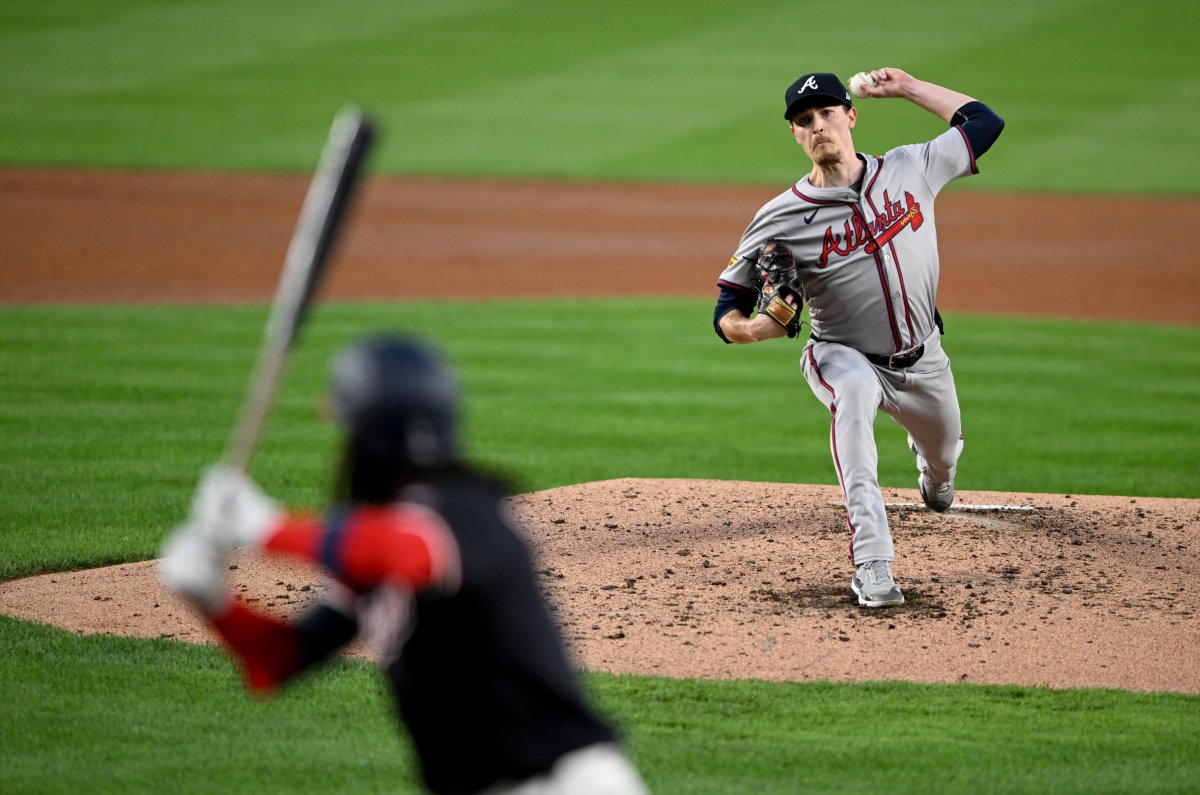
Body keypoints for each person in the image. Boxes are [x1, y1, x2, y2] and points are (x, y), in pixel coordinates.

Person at [159, 334, 649, 795]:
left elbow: (411, 550)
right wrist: (212, 599)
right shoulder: (388, 545)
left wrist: (263, 528)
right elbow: (278, 661)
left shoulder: (465, 510)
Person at [712, 68, 1004, 608]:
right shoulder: (778, 217)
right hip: (841, 353)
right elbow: (727, 309)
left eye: (826, 112)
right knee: (851, 399)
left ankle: (934, 471)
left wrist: (909, 88)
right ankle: (872, 562)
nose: (817, 125)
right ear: (795, 135)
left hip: (925, 360)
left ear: (850, 116)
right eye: (804, 120)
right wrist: (758, 328)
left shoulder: (911, 167)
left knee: (944, 461)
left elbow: (985, 121)